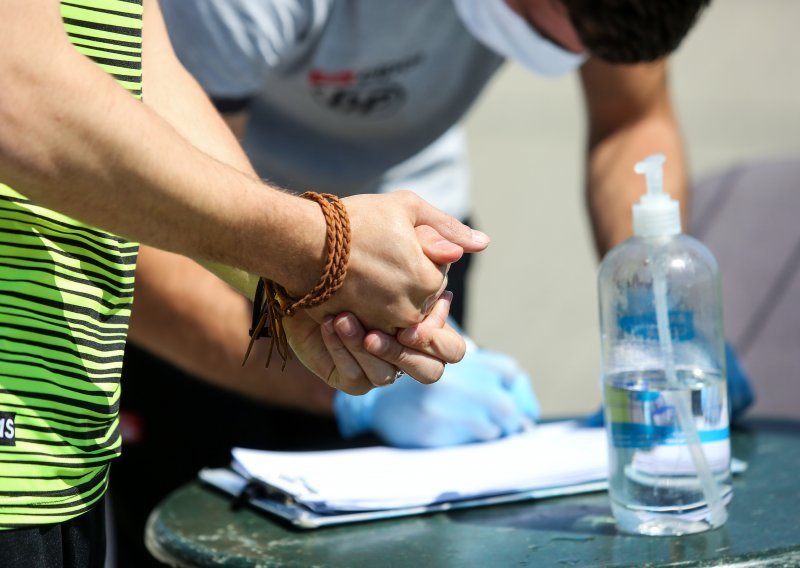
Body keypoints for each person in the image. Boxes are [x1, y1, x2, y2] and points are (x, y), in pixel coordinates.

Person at [106, 0, 715, 565]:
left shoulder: (618, 10)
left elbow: (632, 118)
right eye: (555, 30)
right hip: (205, 251)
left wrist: (659, 313)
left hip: (410, 239)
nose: (577, 52)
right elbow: (136, 225)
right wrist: (338, 389)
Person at [0, 1, 491, 566]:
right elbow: (20, 93)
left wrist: (298, 287)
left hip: (60, 448)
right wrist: (320, 245)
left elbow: (141, 70)